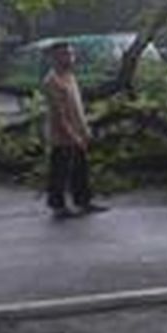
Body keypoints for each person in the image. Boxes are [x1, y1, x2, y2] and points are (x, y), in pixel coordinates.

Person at [42, 42, 107, 219]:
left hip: (77, 130)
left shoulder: (70, 76)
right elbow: (59, 114)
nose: (69, 58)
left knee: (81, 169)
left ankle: (83, 201)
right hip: (62, 135)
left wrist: (84, 130)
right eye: (64, 55)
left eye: (71, 54)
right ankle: (58, 206)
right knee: (60, 171)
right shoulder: (52, 81)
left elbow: (76, 107)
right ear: (54, 58)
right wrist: (72, 135)